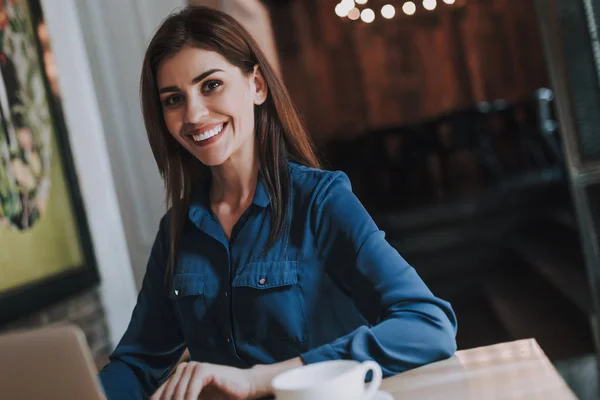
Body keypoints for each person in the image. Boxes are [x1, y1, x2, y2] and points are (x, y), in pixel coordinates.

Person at [98, 6, 458, 400]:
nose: (194, 114)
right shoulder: (177, 231)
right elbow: (136, 363)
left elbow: (428, 324)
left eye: (211, 85)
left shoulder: (320, 201)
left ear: (256, 86)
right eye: (172, 99)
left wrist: (263, 379)